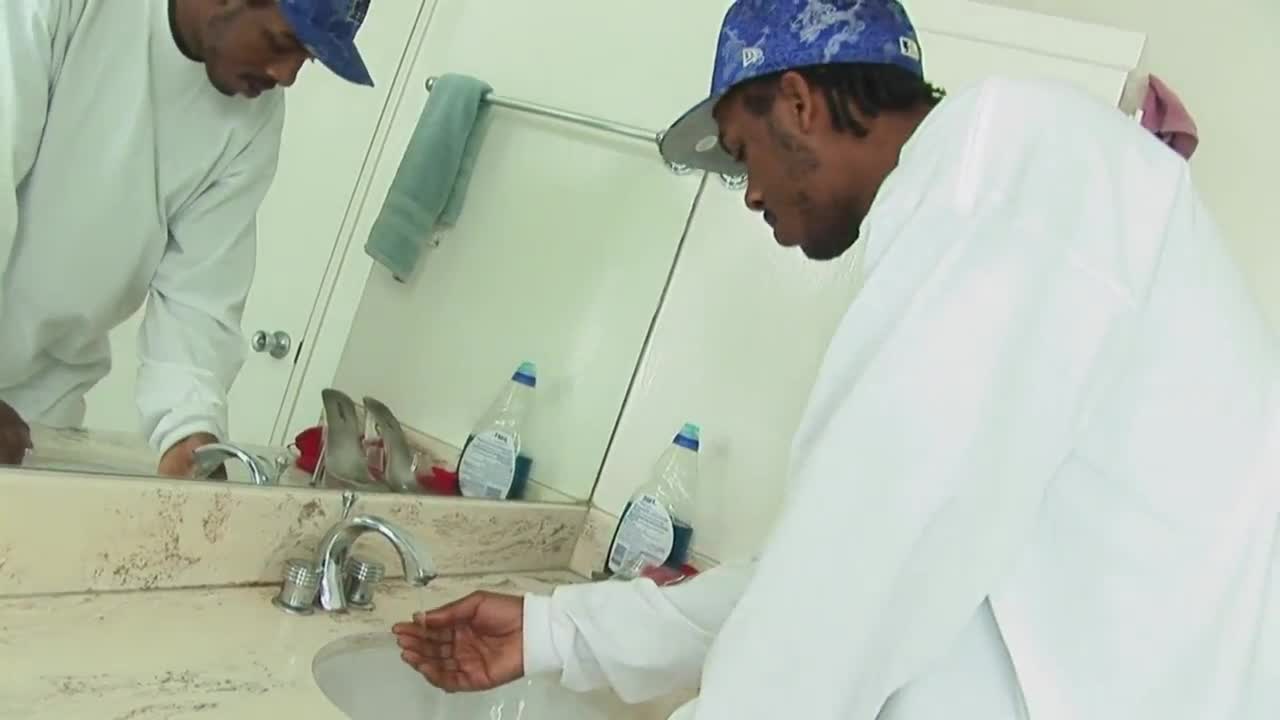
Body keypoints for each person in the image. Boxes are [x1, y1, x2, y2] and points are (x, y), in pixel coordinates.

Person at [395, 1, 1279, 719]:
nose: (750, 194)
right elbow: (822, 565)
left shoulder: (1001, 157)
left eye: (742, 154)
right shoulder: (986, 195)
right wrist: (557, 634)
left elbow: (854, 570)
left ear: (797, 103)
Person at [0, 0, 376, 475]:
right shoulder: (64, 9)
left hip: (37, 406)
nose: (286, 75)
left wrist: (191, 432)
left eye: (307, 58)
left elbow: (199, 297)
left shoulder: (253, 120)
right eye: (280, 42)